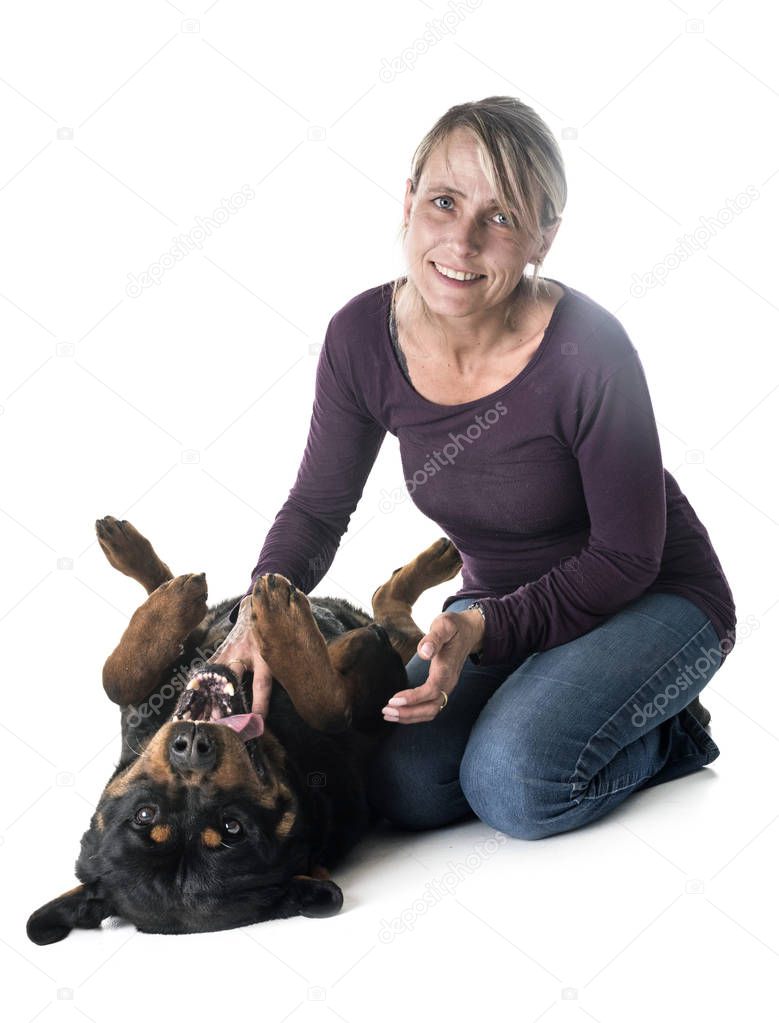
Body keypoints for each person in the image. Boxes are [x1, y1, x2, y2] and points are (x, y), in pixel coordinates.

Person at [207, 96, 737, 840]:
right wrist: (260, 609)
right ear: (408, 200)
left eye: (500, 217)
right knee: (405, 790)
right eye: (444, 202)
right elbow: (318, 507)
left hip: (655, 599)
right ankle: (553, 692)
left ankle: (665, 730)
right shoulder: (361, 337)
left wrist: (482, 628)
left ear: (542, 239)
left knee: (516, 783)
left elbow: (626, 555)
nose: (460, 241)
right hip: (504, 606)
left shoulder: (588, 349)